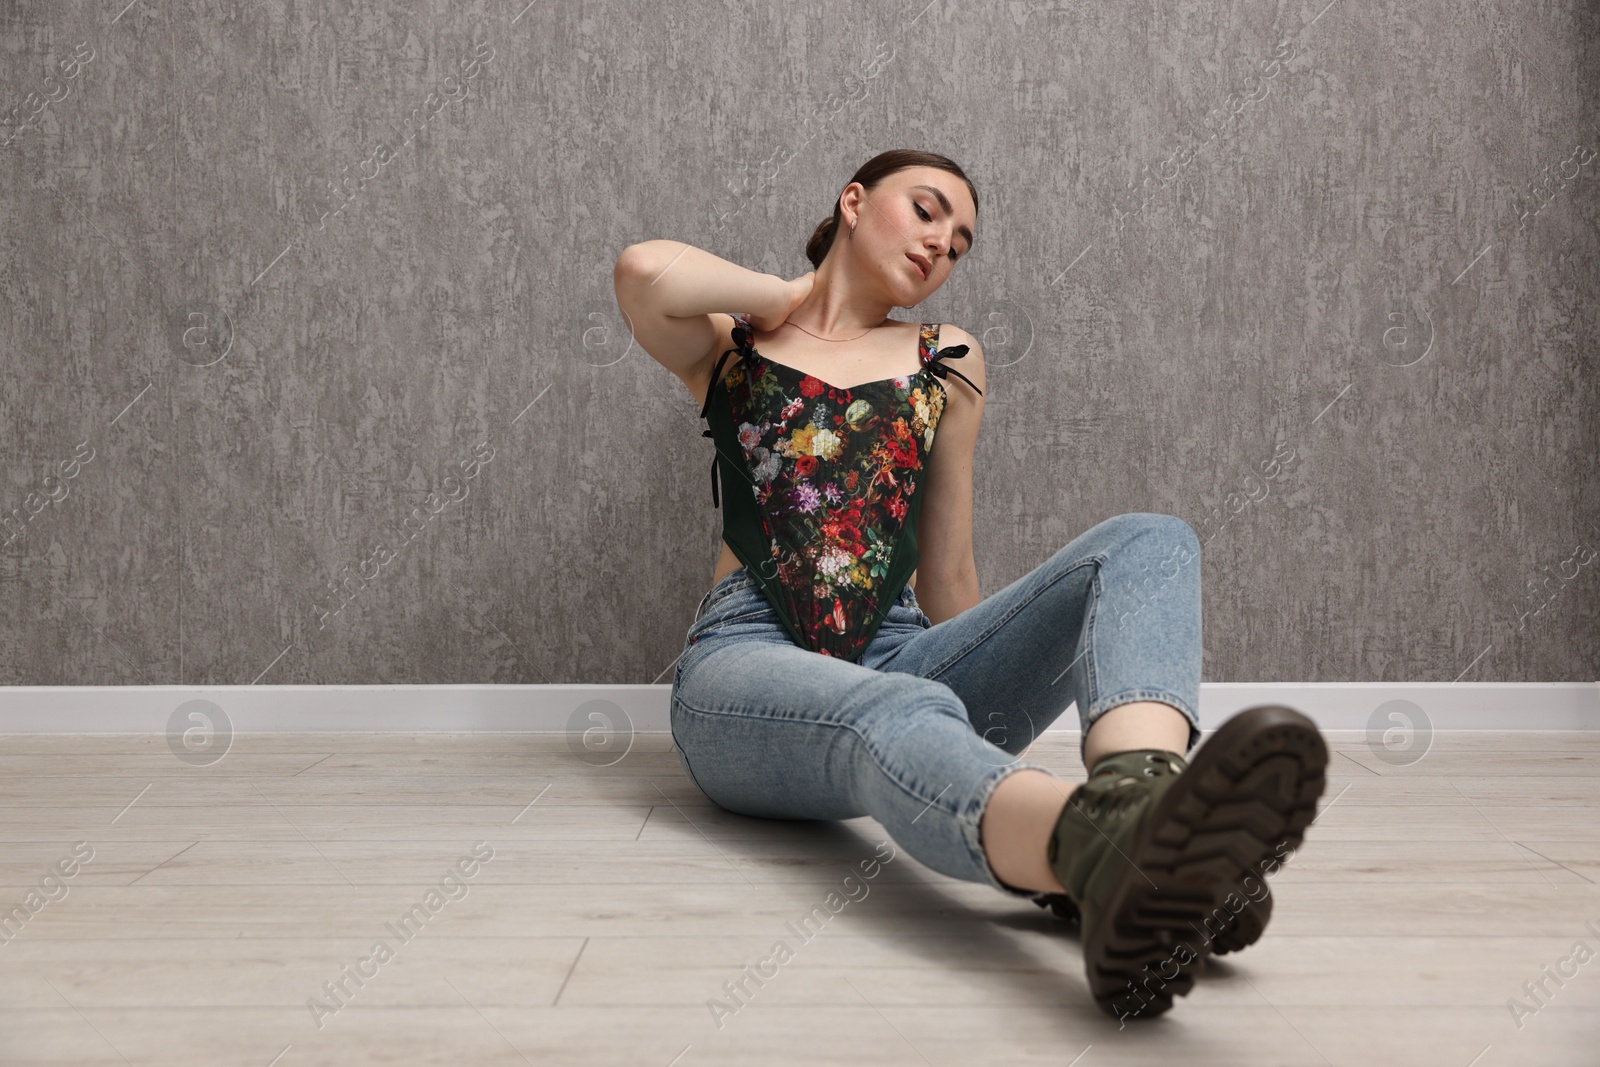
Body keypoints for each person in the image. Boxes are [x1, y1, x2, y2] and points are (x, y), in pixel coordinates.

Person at [612, 148, 1328, 1020]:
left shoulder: (945, 358)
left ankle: (1143, 797)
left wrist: (985, 670)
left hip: (903, 647)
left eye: (959, 243)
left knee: (1150, 541)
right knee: (895, 713)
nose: (941, 245)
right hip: (746, 663)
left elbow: (949, 567)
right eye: (926, 211)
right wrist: (792, 297)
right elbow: (643, 271)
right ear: (852, 201)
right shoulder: (736, 344)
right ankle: (1104, 851)